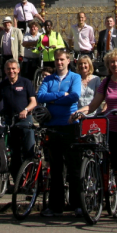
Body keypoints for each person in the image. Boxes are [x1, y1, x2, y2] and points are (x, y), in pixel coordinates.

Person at [70, 48, 117, 219]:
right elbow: (94, 105)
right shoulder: (106, 82)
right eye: (112, 62)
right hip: (114, 130)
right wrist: (80, 111)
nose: (115, 64)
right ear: (108, 65)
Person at [37, 48, 82, 217]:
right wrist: (60, 95)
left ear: (68, 60)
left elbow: (75, 96)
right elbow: (40, 96)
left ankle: (77, 203)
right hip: (52, 125)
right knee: (55, 168)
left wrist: (53, 98)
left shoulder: (75, 77)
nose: (59, 62)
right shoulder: (49, 78)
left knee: (74, 167)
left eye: (62, 59)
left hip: (70, 125)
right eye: (57, 60)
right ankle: (56, 206)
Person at [0, 59, 37, 180]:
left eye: (13, 68)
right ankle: (16, 181)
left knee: (29, 150)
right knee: (14, 153)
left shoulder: (26, 82)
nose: (11, 71)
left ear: (18, 70)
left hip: (25, 121)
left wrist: (26, 110)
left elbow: (33, 102)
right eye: (8, 69)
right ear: (5, 70)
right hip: (9, 121)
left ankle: (31, 180)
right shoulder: (3, 85)